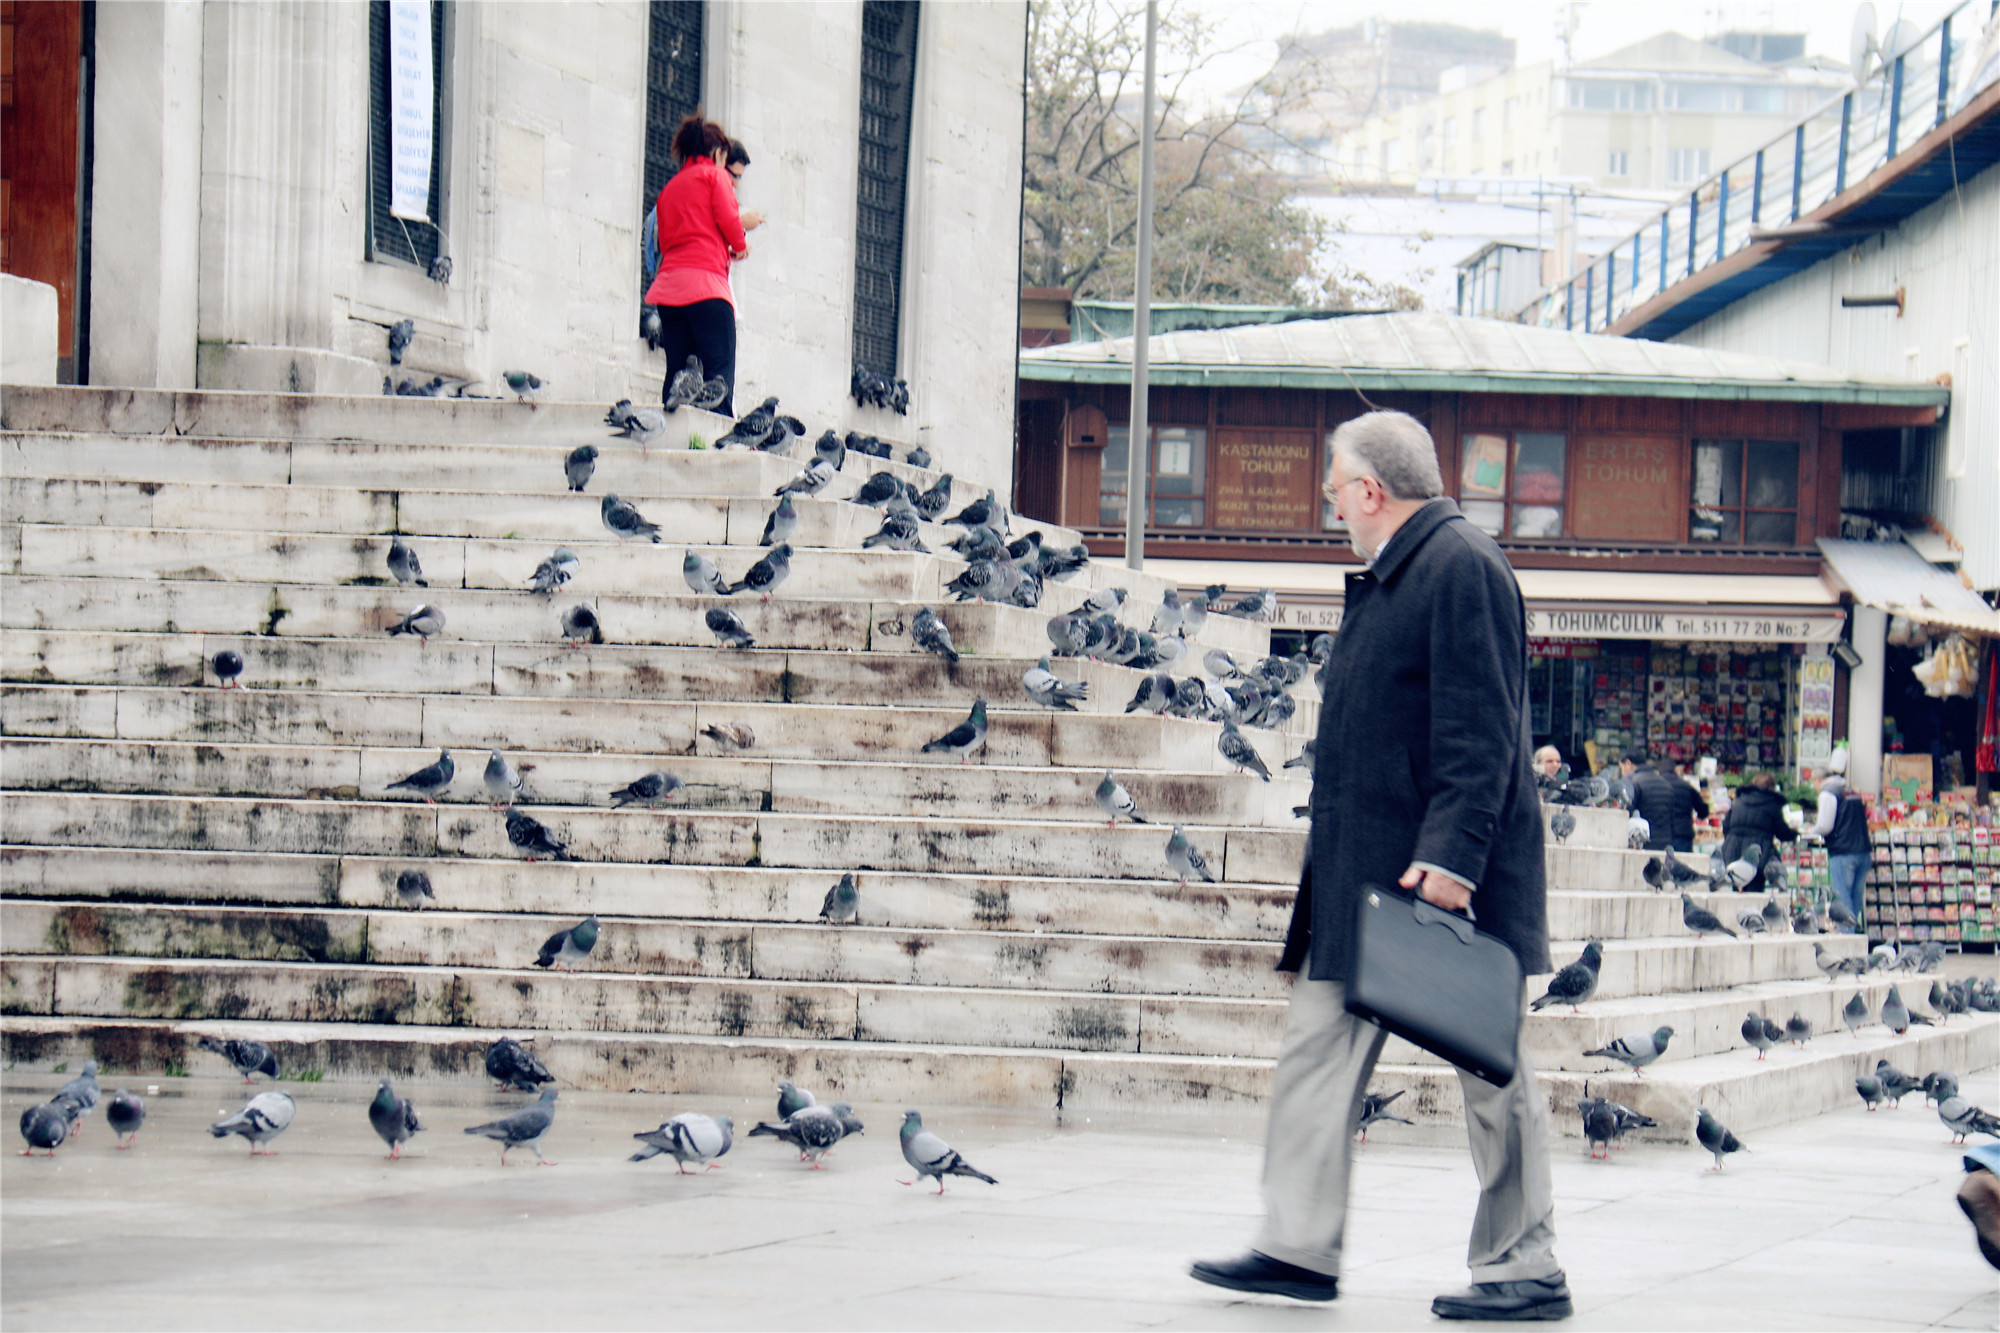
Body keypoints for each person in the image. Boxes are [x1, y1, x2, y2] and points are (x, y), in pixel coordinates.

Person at [1189, 411, 1569, 1322]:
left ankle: (1527, 1264)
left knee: (1492, 1072)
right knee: (1315, 1054)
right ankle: (1296, 1246)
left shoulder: (1461, 565)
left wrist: (1453, 862)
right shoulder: (1403, 573)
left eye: (1334, 482)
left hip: (1437, 883)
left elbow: (1485, 734)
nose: (1328, 497)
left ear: (1372, 490)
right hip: (1366, 881)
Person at [645, 113, 752, 416]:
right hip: (707, 291)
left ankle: (672, 436)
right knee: (719, 374)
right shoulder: (714, 176)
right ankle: (715, 446)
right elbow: (729, 220)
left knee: (679, 372)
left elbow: (670, 243)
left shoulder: (669, 189)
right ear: (717, 153)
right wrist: (741, 247)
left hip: (670, 293)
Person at [1806, 749, 1869, 922]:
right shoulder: (1850, 790)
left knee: (1842, 897)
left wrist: (1810, 831)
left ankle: (1846, 934)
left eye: (1813, 782)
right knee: (1856, 898)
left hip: (1843, 852)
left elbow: (1825, 826)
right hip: (1863, 851)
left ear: (1817, 779)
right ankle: (1854, 934)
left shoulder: (1828, 793)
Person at [1718, 771, 1796, 893]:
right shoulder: (1772, 803)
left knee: (1737, 884)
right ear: (1772, 787)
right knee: (1755, 889)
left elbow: (1726, 826)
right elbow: (1782, 832)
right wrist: (1796, 834)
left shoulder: (1739, 800)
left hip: (1733, 850)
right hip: (1759, 853)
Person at [1629, 755, 1708, 853]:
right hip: (1683, 835)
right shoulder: (1686, 786)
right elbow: (1703, 811)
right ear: (1675, 770)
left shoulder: (1658, 785)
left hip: (1663, 835)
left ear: (1659, 771)